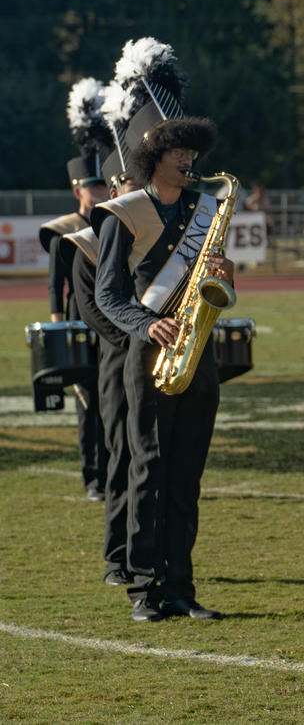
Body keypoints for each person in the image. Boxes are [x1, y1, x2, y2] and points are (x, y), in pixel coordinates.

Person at [95, 36, 231, 621]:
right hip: (147, 356)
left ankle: (182, 586)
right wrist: (146, 324)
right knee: (148, 471)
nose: (187, 159)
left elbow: (211, 282)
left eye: (190, 149)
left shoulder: (204, 207)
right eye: (176, 149)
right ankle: (144, 589)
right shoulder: (125, 214)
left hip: (198, 352)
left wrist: (225, 275)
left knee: (187, 476)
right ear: (151, 154)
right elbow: (107, 294)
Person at [69, 147, 141, 585]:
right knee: (122, 459)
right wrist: (138, 335)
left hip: (158, 358)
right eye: (133, 184)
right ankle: (117, 556)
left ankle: (154, 552)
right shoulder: (88, 245)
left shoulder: (154, 231)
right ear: (115, 190)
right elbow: (94, 311)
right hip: (117, 363)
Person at [40, 76, 111, 501]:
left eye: (102, 185)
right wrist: (56, 328)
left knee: (113, 398)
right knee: (87, 403)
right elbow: (55, 285)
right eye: (91, 186)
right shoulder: (65, 230)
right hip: (77, 321)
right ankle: (93, 478)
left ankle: (114, 468)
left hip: (111, 319)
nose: (98, 192)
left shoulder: (114, 223)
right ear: (77, 189)